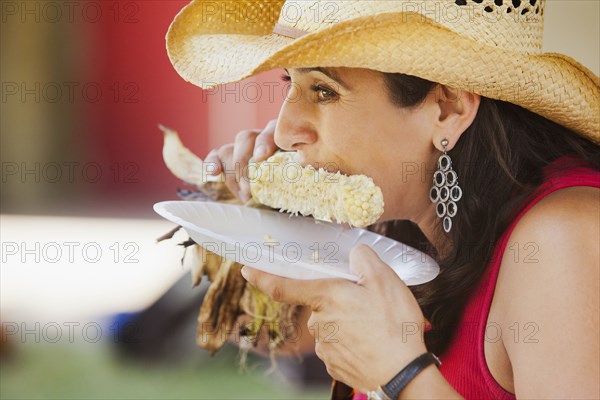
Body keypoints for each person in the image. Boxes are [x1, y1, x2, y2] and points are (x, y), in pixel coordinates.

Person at [166, 1, 600, 398]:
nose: (283, 131)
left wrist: (401, 374)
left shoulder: (564, 238)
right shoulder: (401, 216)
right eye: (290, 83)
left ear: (446, 108)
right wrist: (254, 209)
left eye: (324, 91)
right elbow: (265, 334)